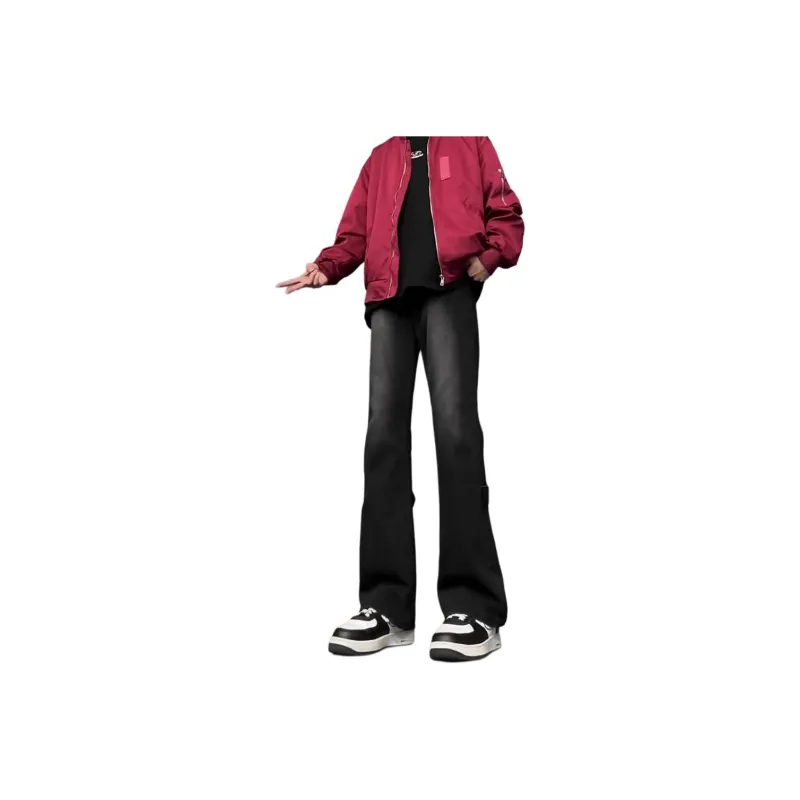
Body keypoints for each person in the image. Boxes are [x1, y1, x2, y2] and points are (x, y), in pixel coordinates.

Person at [277, 136, 524, 661]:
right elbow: (356, 232)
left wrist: (490, 257)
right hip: (388, 300)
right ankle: (386, 608)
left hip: (450, 292)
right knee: (383, 442)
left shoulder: (470, 139)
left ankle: (474, 608)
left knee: (456, 438)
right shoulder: (381, 155)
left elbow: (505, 210)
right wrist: (329, 266)